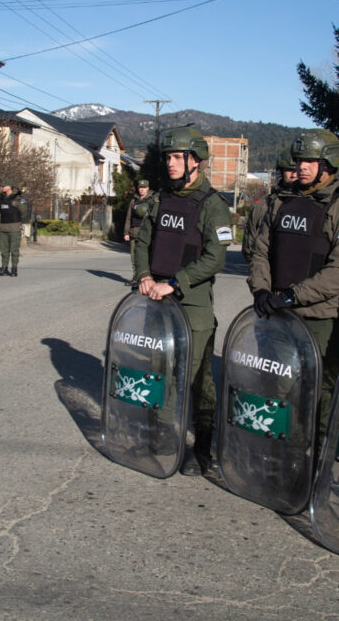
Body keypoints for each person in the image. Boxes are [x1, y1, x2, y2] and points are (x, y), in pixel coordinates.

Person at [246, 130, 339, 443]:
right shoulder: (280, 203)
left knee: (323, 395)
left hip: (321, 319)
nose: (301, 166)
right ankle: (281, 454)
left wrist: (293, 296)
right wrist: (261, 290)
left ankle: (316, 459)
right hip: (280, 316)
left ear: (329, 163)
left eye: (310, 160)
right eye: (299, 160)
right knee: (279, 389)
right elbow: (260, 251)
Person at [133, 127, 232, 476]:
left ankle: (202, 449)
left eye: (177, 157)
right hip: (156, 300)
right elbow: (143, 241)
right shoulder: (160, 199)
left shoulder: (213, 205)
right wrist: (144, 275)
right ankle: (161, 440)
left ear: (195, 161)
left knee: (194, 380)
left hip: (192, 305)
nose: (170, 163)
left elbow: (215, 258)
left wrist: (175, 283)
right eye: (168, 157)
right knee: (157, 372)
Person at [241, 153, 298, 263]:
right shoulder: (264, 205)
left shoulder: (316, 204)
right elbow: (249, 248)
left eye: (297, 170)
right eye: (289, 170)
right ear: (281, 172)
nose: (294, 175)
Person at [0, 182, 28, 277]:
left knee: (14, 250)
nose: (1, 187)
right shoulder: (1, 198)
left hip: (14, 227)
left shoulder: (19, 198)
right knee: (3, 250)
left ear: (9, 187)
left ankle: (14, 269)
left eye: (3, 185)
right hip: (4, 227)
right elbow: (1, 211)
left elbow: (24, 212)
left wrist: (16, 217)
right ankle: (4, 268)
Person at [123, 179, 151, 286]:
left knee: (146, 256)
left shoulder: (151, 200)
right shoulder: (133, 201)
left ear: (147, 188)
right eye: (140, 187)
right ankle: (135, 278)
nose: (142, 190)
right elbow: (129, 217)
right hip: (134, 232)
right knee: (134, 256)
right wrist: (126, 232)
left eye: (144, 188)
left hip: (146, 233)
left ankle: (146, 278)